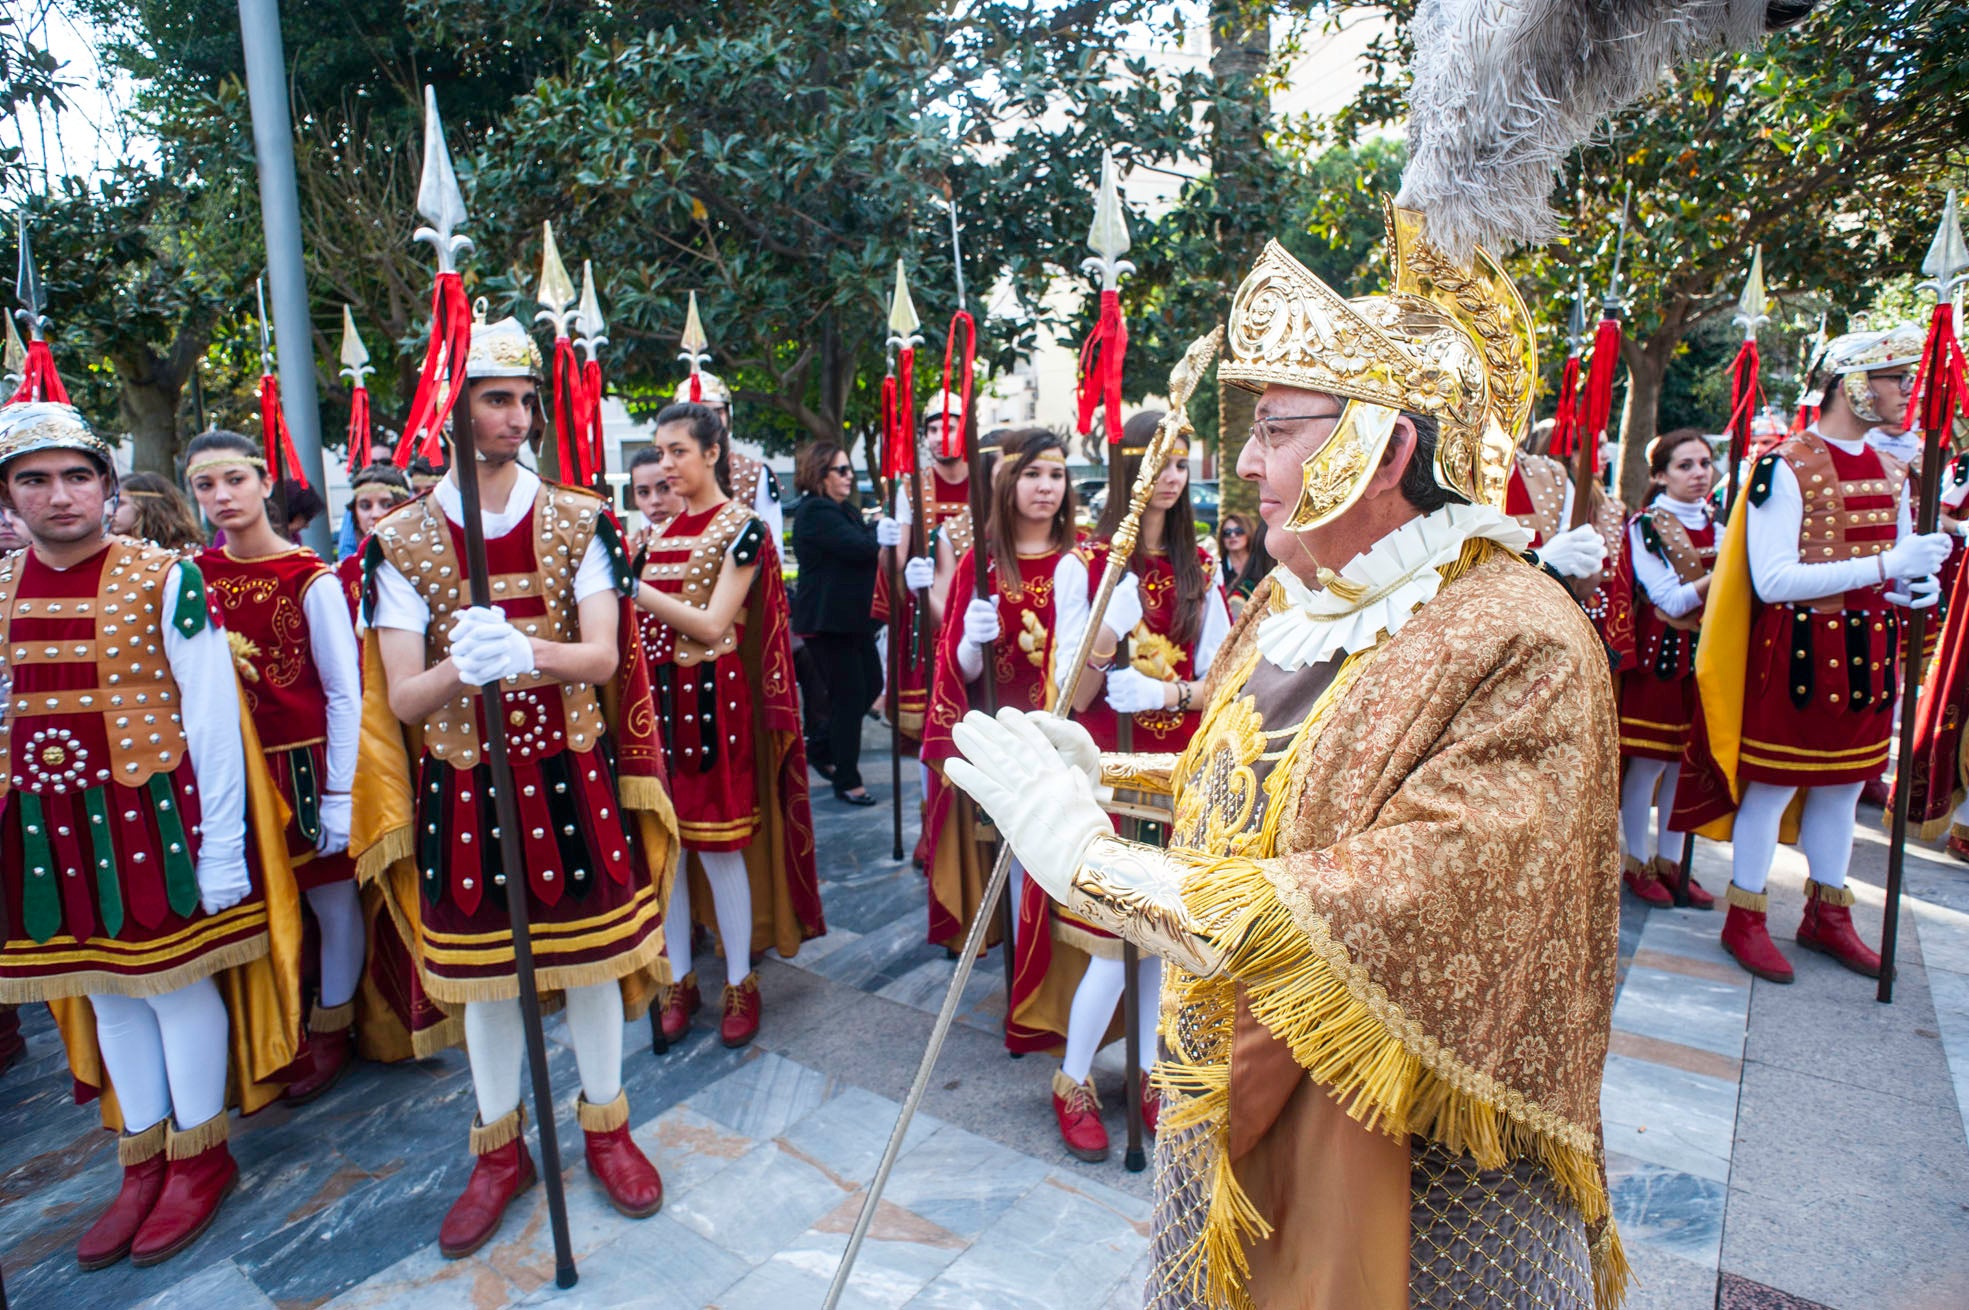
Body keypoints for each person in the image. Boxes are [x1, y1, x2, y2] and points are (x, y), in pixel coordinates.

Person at [946, 220, 1630, 1308]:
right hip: (1228, 1074)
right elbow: (1259, 787)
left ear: (1390, 451)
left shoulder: (1520, 636)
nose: (1247, 461)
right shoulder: (1291, 590)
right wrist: (1109, 773)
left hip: (1414, 1170)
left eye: (1274, 428)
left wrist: (1090, 862)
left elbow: (1381, 894)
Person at [354, 315, 677, 1257]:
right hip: (462, 782)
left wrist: (526, 650)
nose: (519, 416)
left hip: (570, 773)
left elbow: (603, 655)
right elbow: (408, 699)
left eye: (526, 398)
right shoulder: (403, 539)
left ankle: (607, 1124)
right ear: (450, 409)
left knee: (592, 958)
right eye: (497, 398)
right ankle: (499, 1150)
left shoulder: (581, 517)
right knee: (488, 981)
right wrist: (466, 667)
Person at [0, 401, 301, 1270]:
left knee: (170, 987)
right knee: (105, 994)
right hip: (45, 823)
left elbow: (211, 718)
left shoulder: (165, 576)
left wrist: (219, 849)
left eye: (76, 477)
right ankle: (141, 1157)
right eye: (35, 480)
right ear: (11, 495)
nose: (59, 496)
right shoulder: (3, 585)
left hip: (152, 818)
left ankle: (201, 1155)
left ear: (103, 484)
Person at [1675, 329, 1951, 983]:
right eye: (1893, 378)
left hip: (1868, 655)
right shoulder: (1785, 463)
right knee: (1769, 790)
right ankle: (1744, 915)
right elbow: (1772, 581)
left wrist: (1917, 580)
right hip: (1799, 657)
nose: (1906, 392)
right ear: (1853, 382)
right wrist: (1889, 560)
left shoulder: (1893, 470)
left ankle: (1826, 914)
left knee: (1843, 788)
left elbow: (1896, 569)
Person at [1004, 413, 1232, 1159]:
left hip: (1175, 769)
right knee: (1112, 939)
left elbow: (1225, 677)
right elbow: (1069, 694)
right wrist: (1108, 637)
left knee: (1161, 936)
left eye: (1177, 463)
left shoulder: (1200, 561)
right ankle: (1072, 1079)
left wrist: (1170, 696)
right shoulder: (1085, 564)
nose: (1169, 477)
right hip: (1110, 767)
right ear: (1128, 467)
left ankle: (1143, 1069)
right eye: (1155, 462)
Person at [629, 402, 822, 1049]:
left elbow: (713, 624)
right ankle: (680, 977)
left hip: (713, 704)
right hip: (657, 704)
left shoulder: (741, 529)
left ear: (712, 452)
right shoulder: (653, 536)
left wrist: (631, 588)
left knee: (718, 846)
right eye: (659, 452)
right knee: (672, 850)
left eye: (677, 450)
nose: (666, 465)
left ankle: (740, 979)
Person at [187, 429, 366, 1102]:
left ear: (265, 483)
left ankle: (333, 1022)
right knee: (261, 903)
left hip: (305, 769)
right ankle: (275, 1021)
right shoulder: (193, 579)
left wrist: (341, 791)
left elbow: (343, 691)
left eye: (233, 480)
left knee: (330, 897)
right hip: (230, 773)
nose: (221, 496)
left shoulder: (309, 578)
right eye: (205, 486)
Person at [920, 429, 1077, 954]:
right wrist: (969, 641)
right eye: (1032, 474)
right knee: (1018, 865)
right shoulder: (979, 566)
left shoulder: (1087, 561)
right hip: (1011, 746)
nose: (1045, 487)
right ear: (1008, 481)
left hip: (1075, 741)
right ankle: (1024, 975)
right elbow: (957, 674)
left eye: (1055, 474)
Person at [1614, 431, 1718, 908]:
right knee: (1650, 763)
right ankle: (1636, 860)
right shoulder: (1647, 525)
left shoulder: (1721, 524)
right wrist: (1726, 573)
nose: (1699, 473)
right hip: (1662, 656)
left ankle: (1672, 862)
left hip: (1708, 656)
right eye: (1684, 466)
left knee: (1686, 762)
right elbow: (1669, 598)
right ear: (1659, 475)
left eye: (1705, 463)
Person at [790, 439, 883, 806]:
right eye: (841, 470)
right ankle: (848, 778)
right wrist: (879, 531)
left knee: (869, 685)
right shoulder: (815, 512)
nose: (849, 477)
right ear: (820, 475)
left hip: (853, 622)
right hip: (830, 622)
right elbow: (861, 548)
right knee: (849, 698)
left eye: (850, 470)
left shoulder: (842, 511)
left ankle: (822, 746)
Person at [675, 370, 784, 543]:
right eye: (697, 413)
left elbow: (773, 548)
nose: (708, 421)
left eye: (717, 412)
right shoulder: (664, 473)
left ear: (728, 415)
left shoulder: (755, 474)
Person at [334, 461, 412, 623]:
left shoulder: (426, 562)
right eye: (365, 506)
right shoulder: (340, 576)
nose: (375, 514)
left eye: (387, 504)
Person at [111, 471, 205, 556]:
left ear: (147, 506)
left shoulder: (189, 554)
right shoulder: (111, 551)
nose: (109, 512)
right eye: (111, 503)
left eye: (120, 503)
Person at [1217, 511, 1273, 618]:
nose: (1232, 535)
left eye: (1238, 531)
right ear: (1222, 538)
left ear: (1248, 533)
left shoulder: (1261, 565)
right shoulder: (1217, 570)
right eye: (1227, 532)